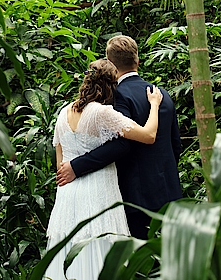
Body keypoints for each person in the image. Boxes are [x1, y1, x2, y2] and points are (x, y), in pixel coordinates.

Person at [45, 58, 163, 280]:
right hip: (99, 193)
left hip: (67, 197)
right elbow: (148, 135)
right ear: (112, 84)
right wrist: (154, 105)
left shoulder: (62, 114)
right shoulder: (101, 113)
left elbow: (60, 164)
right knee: (101, 254)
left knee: (69, 256)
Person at [57, 35, 183, 240]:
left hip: (135, 196)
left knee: (141, 263)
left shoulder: (116, 95)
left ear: (110, 64)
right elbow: (175, 144)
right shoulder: (161, 94)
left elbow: (121, 145)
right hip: (168, 191)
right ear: (137, 60)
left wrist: (76, 166)